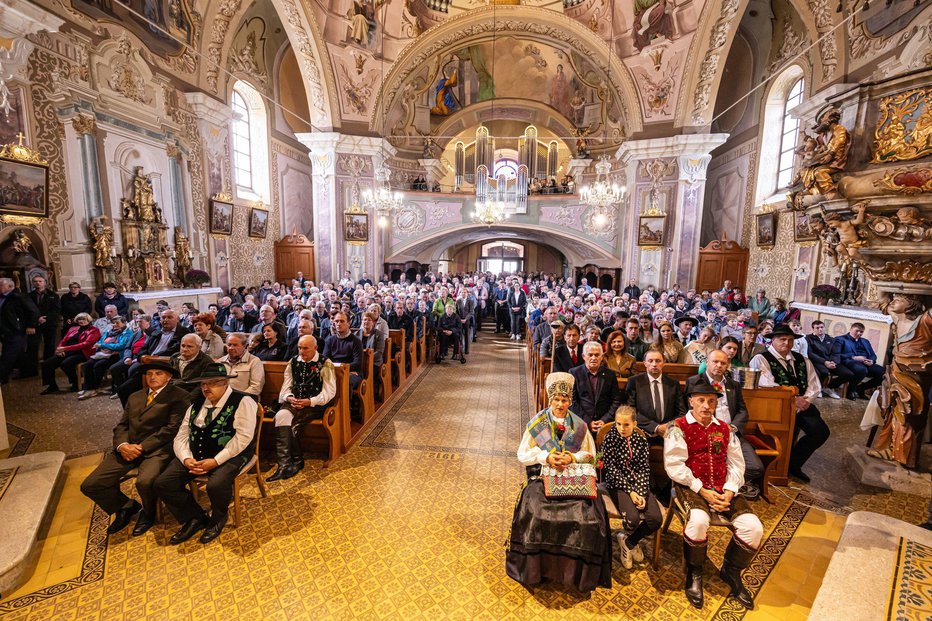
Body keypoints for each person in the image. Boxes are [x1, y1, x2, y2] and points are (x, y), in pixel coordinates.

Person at [506, 372, 612, 592]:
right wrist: (546, 457)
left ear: (570, 402)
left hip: (573, 478)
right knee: (536, 513)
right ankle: (537, 571)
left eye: (565, 400)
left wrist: (571, 457)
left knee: (588, 518)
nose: (560, 404)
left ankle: (575, 575)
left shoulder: (580, 426)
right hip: (542, 477)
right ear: (550, 400)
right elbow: (522, 454)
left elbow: (591, 456)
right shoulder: (537, 424)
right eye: (557, 400)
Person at [664, 378, 764, 609]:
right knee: (699, 521)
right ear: (691, 401)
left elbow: (737, 464)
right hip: (691, 486)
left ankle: (731, 571)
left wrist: (729, 490)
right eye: (701, 400)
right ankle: (694, 573)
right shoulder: (678, 428)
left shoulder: (725, 429)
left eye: (711, 401)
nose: (706, 406)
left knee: (753, 527)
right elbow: (675, 466)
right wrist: (703, 490)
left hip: (723, 487)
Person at [80, 359, 190, 536]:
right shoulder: (136, 396)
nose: (152, 377)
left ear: (169, 377)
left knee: (144, 482)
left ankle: (148, 513)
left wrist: (140, 447)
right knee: (91, 484)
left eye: (158, 373)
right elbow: (122, 425)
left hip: (158, 450)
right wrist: (123, 445)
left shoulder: (179, 396)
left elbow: (171, 429)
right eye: (149, 374)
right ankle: (125, 506)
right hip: (128, 447)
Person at [154, 363, 258, 545]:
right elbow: (182, 435)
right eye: (203, 384)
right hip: (195, 455)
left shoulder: (243, 401)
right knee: (163, 483)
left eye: (212, 383)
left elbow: (243, 438)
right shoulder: (196, 404)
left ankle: (218, 518)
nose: (206, 387)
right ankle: (194, 517)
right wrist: (186, 458)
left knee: (216, 485)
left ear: (225, 382)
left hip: (232, 454)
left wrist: (216, 461)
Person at [750, 324, 829, 483]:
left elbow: (814, 384)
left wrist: (806, 400)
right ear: (773, 340)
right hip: (776, 407)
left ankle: (794, 464)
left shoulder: (802, 360)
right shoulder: (761, 359)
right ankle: (777, 468)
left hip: (802, 406)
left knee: (820, 432)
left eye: (790, 340)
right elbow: (766, 384)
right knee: (783, 436)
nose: (786, 343)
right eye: (782, 339)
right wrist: (793, 399)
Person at [687, 349, 764, 498]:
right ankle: (715, 491)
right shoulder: (694, 381)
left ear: (728, 365)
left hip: (731, 433)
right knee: (710, 465)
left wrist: (733, 427)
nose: (719, 365)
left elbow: (742, 411)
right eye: (715, 362)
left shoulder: (733, 384)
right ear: (707, 363)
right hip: (706, 433)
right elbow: (689, 411)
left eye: (723, 363)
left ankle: (727, 488)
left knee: (756, 467)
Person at [267, 335, 337, 481]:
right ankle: (284, 465)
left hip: (315, 404)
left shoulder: (325, 363)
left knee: (292, 425)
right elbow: (286, 387)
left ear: (315, 348)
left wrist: (310, 401)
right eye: (299, 347)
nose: (301, 351)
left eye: (305, 348)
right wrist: (288, 397)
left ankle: (298, 461)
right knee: (280, 417)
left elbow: (329, 392)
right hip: (294, 401)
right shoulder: (293, 362)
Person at [600, 405, 662, 569]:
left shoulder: (641, 440)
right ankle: (630, 538)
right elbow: (611, 470)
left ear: (635, 424)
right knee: (632, 520)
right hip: (617, 484)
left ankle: (628, 542)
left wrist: (641, 492)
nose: (621, 428)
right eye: (618, 424)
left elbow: (643, 468)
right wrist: (631, 492)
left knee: (656, 520)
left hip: (638, 484)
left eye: (626, 424)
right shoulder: (610, 439)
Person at [112, 309, 190, 406]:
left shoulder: (184, 333)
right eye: (163, 317)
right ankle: (131, 413)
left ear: (177, 319)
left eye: (169, 317)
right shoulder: (156, 332)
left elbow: (173, 351)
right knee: (123, 390)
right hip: (148, 365)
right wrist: (142, 357)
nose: (165, 320)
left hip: (166, 367)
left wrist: (151, 358)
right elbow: (143, 349)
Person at [569, 341, 624, 432]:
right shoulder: (574, 373)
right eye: (590, 355)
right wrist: (588, 422)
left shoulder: (610, 374)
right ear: (583, 356)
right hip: (580, 422)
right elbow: (573, 401)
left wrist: (604, 420)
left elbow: (616, 400)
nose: (593, 358)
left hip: (605, 423)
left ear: (602, 357)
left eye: (597, 355)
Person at [39, 312, 99, 394]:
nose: (81, 321)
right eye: (79, 319)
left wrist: (65, 348)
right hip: (67, 351)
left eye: (84, 319)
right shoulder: (73, 329)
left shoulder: (94, 330)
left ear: (88, 320)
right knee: (46, 364)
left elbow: (85, 344)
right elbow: (64, 340)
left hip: (83, 352)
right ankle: (52, 386)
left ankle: (75, 383)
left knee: (66, 363)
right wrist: (59, 350)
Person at [80, 315, 133, 399]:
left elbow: (121, 345)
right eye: (113, 323)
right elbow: (100, 341)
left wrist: (104, 345)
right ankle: (88, 388)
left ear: (124, 323)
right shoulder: (109, 331)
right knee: (88, 364)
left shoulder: (128, 333)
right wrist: (102, 347)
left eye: (117, 323)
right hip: (103, 353)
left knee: (99, 365)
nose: (114, 325)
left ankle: (95, 388)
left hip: (117, 355)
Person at [0, 277, 38, 384]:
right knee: (17, 353)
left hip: (16, 330)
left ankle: (1, 375)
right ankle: (25, 372)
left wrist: (31, 325)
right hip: (4, 330)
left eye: (0, 285)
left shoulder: (18, 297)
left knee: (8, 354)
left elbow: (33, 311)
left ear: (10, 286)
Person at [833, 322, 885, 400]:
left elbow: (873, 355)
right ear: (851, 329)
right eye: (857, 331)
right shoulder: (840, 339)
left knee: (883, 373)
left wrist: (872, 361)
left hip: (865, 363)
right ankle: (851, 390)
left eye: (861, 332)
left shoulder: (865, 341)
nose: (859, 333)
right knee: (861, 370)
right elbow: (837, 354)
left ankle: (861, 388)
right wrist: (854, 357)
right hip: (850, 361)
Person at [26, 275, 61, 378]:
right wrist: (37, 319)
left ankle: (48, 367)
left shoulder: (53, 295)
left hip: (49, 323)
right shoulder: (29, 296)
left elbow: (56, 310)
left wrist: (46, 318)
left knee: (49, 345)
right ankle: (32, 370)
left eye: (40, 281)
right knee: (32, 346)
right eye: (35, 281)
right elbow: (27, 310)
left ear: (45, 283)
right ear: (33, 283)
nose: (38, 283)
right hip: (34, 324)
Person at [805, 320, 847, 399]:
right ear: (813, 329)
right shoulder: (808, 338)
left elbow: (836, 352)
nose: (820, 329)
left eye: (822, 327)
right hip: (817, 361)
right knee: (824, 372)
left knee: (847, 374)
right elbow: (810, 354)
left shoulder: (831, 339)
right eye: (817, 328)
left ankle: (829, 388)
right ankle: (818, 389)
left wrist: (833, 362)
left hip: (830, 361)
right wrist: (824, 362)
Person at [218, 333, 265, 397]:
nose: (231, 348)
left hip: (245, 400)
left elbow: (256, 387)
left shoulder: (254, 361)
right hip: (221, 399)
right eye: (229, 345)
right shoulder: (219, 362)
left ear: (244, 346)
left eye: (235, 345)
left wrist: (237, 398)